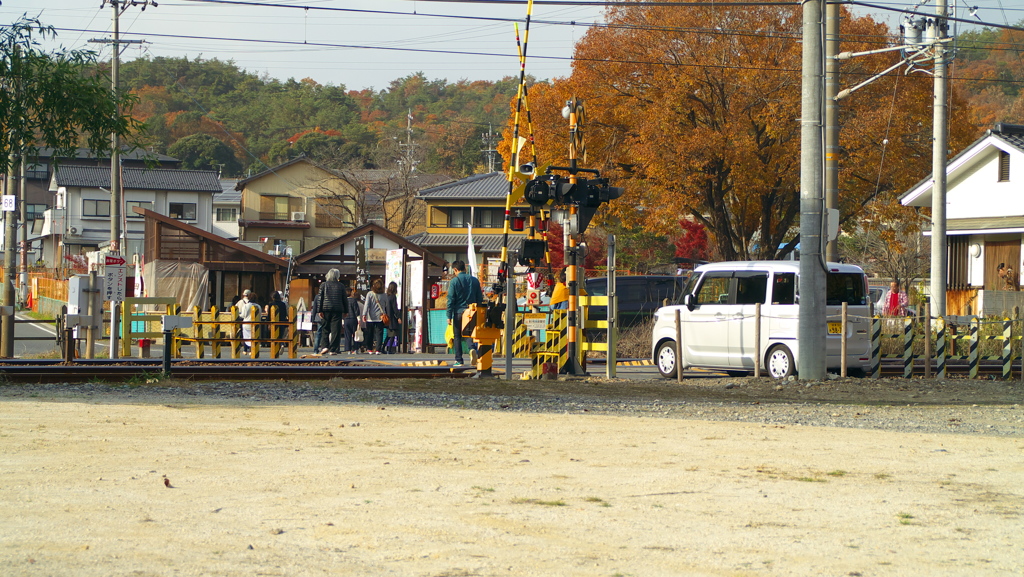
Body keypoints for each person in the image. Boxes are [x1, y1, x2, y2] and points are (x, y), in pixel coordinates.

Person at [446, 260, 484, 367]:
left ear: (455, 270)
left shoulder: (454, 281)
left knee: (457, 335)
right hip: (472, 311)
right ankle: (472, 348)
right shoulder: (475, 280)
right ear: (465, 268)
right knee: (469, 332)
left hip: (458, 311)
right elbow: (479, 298)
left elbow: (450, 300)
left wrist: (449, 315)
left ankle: (459, 360)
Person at [315, 268, 349, 355]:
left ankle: (325, 346)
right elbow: (344, 299)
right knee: (335, 330)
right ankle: (333, 349)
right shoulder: (341, 286)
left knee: (325, 328)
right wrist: (346, 310)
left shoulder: (323, 285)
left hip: (325, 309)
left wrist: (320, 310)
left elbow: (320, 298)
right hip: (337, 309)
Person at [361, 279, 387, 354]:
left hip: (370, 317)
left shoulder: (370, 294)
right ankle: (378, 349)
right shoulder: (384, 295)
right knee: (379, 334)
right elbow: (386, 305)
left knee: (370, 333)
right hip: (380, 317)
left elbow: (366, 305)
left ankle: (369, 349)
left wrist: (364, 314)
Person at [382, 281, 402, 354]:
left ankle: (383, 348)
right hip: (392, 318)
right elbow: (395, 308)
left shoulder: (386, 296)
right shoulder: (393, 297)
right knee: (393, 334)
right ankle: (389, 349)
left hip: (387, 317)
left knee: (388, 334)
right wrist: (398, 317)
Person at [344, 287, 361, 354]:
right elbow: (356, 310)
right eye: (352, 291)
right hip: (353, 319)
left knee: (347, 335)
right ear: (350, 293)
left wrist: (342, 320)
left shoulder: (344, 300)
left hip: (346, 319)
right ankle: (355, 348)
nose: (353, 293)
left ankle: (348, 349)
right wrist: (359, 319)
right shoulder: (354, 300)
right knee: (355, 334)